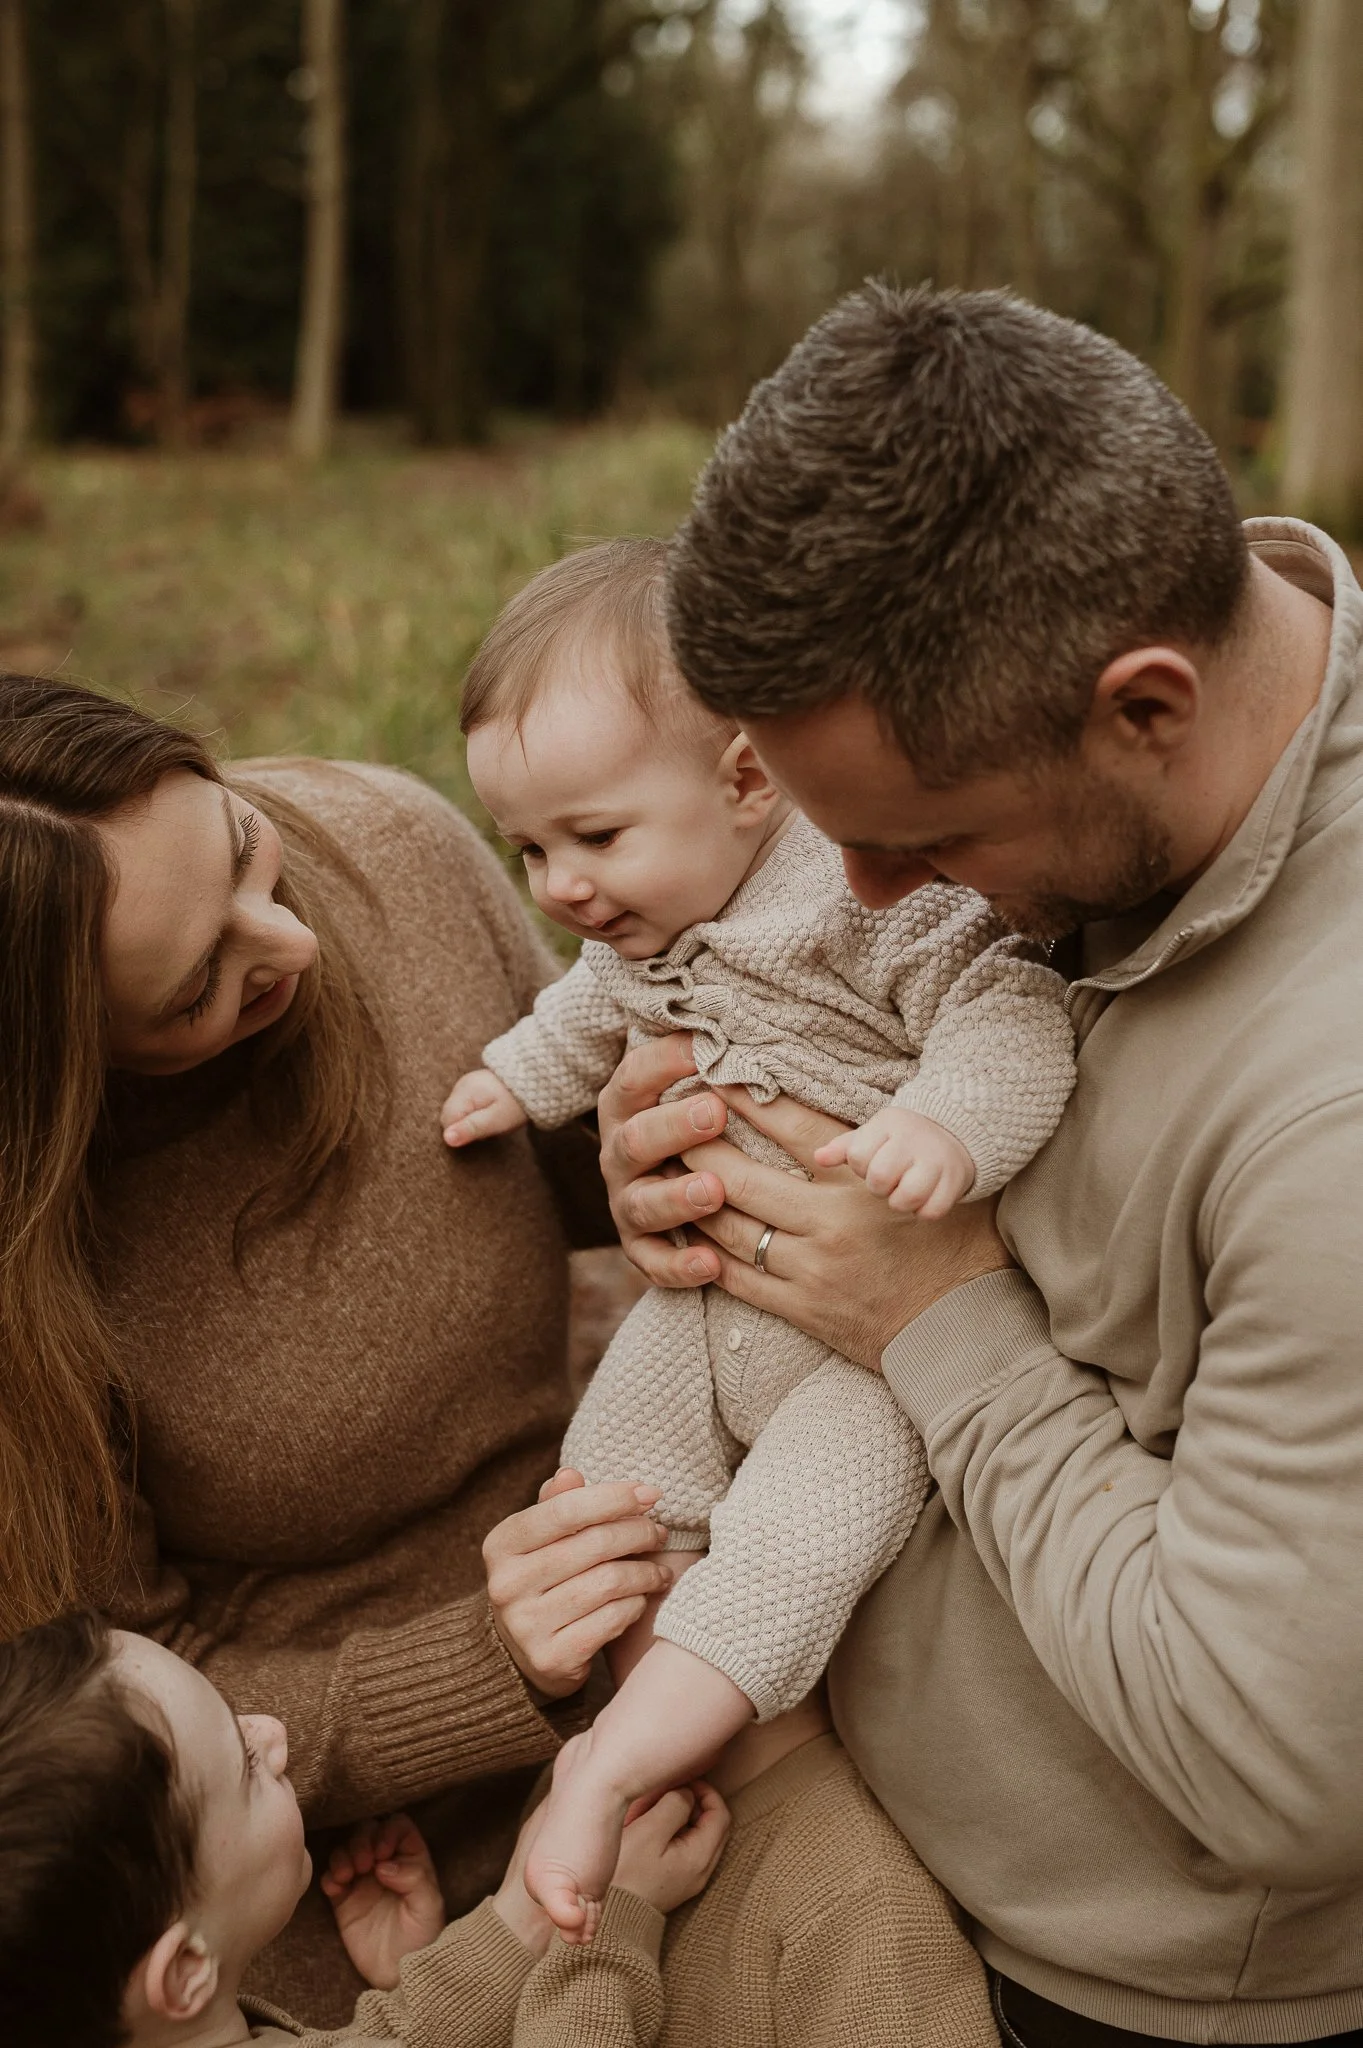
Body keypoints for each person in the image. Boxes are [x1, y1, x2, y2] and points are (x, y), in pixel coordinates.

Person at [590, 283, 1363, 2047]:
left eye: (913, 843)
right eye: (820, 832)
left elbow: (1274, 1763)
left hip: (1101, 1978)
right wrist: (673, 1150)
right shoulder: (1113, 757)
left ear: (1143, 707)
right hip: (834, 1769)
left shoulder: (1331, 1117)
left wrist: (926, 1310)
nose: (860, 900)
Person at [0, 675, 675, 2026]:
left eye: (250, 852)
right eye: (200, 985)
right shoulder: (34, 1274)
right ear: (69, 1063)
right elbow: (116, 1731)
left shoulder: (389, 851)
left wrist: (641, 1147)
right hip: (322, 1867)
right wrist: (484, 1664)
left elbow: (555, 1150)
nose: (292, 945)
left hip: (647, 1686)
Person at [441, 537, 1074, 1935]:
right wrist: (519, 1081)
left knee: (795, 1536)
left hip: (867, 1349)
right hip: (700, 1301)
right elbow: (584, 1006)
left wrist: (946, 1132)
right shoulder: (642, 915)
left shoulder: (863, 900)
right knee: (603, 1492)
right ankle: (634, 1744)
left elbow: (1008, 1017)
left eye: (590, 838)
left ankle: (632, 1756)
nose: (557, 886)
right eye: (526, 848)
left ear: (739, 781)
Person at [0, 1608, 996, 2048]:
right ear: (182, 1974)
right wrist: (610, 1922)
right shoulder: (851, 1904)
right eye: (240, 1766)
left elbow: (383, 2042)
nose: (270, 1729)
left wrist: (495, 1929)